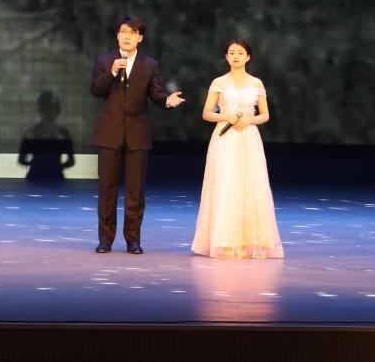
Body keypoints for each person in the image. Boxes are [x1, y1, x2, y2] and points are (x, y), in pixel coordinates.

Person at [89, 15, 185, 254]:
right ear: (117, 35)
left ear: (140, 38)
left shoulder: (149, 64)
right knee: (107, 190)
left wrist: (167, 101)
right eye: (123, 32)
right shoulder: (105, 61)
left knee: (135, 192)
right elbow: (96, 90)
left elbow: (156, 93)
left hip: (137, 135)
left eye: (132, 33)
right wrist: (112, 72)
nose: (127, 36)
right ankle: (105, 239)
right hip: (109, 133)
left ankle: (133, 240)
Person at [191, 40, 284, 259]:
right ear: (226, 57)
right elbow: (206, 113)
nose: (235, 56)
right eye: (231, 53)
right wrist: (225, 116)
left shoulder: (256, 83)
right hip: (225, 139)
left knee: (250, 185)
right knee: (226, 185)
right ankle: (225, 241)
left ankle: (251, 240)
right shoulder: (219, 82)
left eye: (240, 53)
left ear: (248, 57)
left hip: (249, 139)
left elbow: (265, 115)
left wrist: (250, 120)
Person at [18, 90, 75, 181]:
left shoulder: (31, 132)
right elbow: (71, 161)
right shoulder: (63, 133)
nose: (48, 111)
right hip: (52, 177)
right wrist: (55, 166)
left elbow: (21, 160)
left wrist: (37, 164)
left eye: (50, 108)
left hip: (40, 177)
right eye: (45, 108)